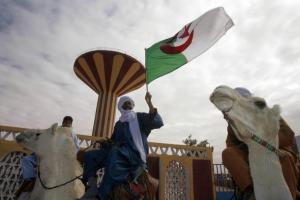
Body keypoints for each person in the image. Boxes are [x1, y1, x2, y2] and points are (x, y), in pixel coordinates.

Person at [81, 92, 163, 200]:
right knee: (90, 155)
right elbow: (113, 140)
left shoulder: (139, 118)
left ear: (132, 106)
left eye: (129, 104)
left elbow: (157, 122)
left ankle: (102, 195)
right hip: (120, 152)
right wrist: (104, 142)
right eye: (125, 104)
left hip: (134, 154)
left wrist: (149, 103)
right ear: (121, 107)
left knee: (115, 152)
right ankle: (91, 184)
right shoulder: (118, 124)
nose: (128, 105)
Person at [222, 87, 299, 200]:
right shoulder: (233, 126)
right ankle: (250, 193)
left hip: (275, 152)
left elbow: (288, 135)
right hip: (251, 156)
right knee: (228, 153)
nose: (225, 116)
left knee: (285, 158)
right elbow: (231, 146)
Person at [16, 116, 80, 196]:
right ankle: (30, 179)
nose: (67, 125)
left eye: (69, 123)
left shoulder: (73, 135)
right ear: (63, 122)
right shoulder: (54, 130)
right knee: (27, 160)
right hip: (47, 154)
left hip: (62, 158)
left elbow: (76, 148)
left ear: (71, 124)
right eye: (66, 123)